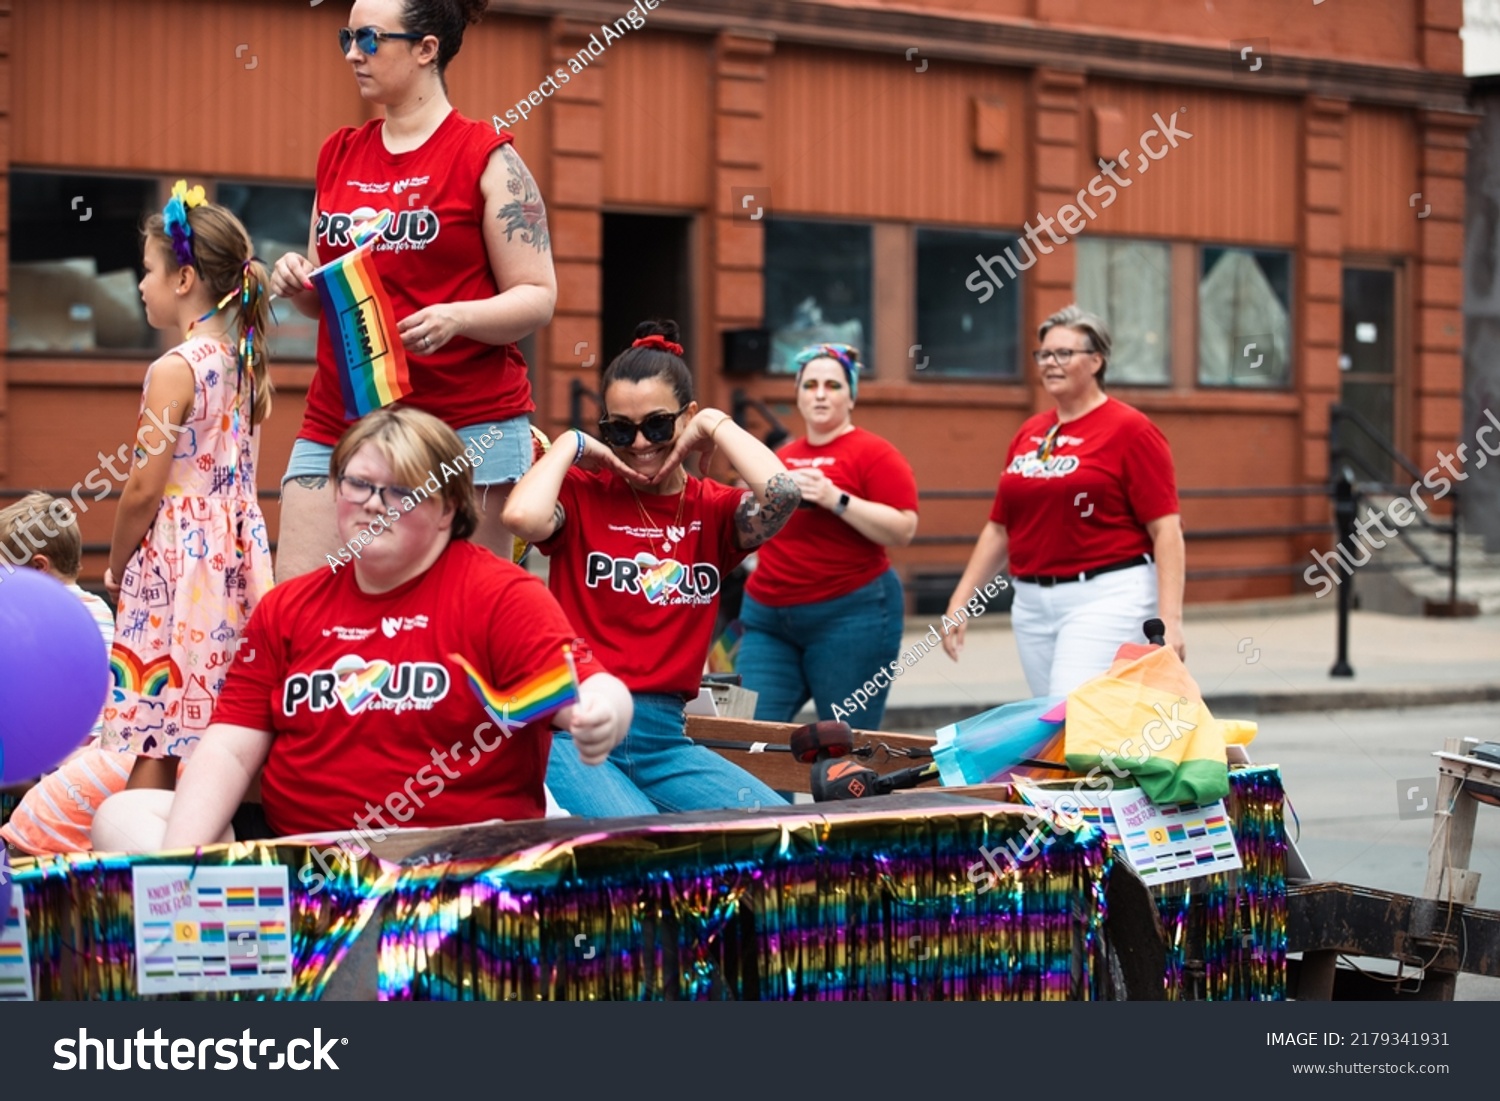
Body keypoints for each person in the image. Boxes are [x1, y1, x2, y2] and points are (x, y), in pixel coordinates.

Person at [91, 406, 633, 854]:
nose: (374, 503)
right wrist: (183, 868)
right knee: (125, 817)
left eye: (401, 491)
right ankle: (241, 935)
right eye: (358, 484)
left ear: (447, 509)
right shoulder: (289, 607)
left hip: (454, 861)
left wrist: (603, 713)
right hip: (303, 855)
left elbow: (586, 687)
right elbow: (230, 750)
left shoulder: (502, 595)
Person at [270, 0, 556, 580]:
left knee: (455, 622)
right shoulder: (339, 153)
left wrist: (457, 317)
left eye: (371, 39)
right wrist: (295, 277)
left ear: (427, 49)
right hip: (343, 420)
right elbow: (323, 290)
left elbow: (537, 295)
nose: (353, 53)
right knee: (300, 609)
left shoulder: (488, 157)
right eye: (347, 36)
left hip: (465, 426)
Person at [503, 321, 801, 816]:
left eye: (658, 425)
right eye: (619, 429)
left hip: (665, 741)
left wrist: (715, 424)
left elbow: (784, 493)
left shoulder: (714, 509)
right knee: (644, 849)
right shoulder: (582, 493)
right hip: (574, 731)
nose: (640, 443)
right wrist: (570, 445)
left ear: (685, 417)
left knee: (781, 832)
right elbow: (521, 517)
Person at [100, 182, 275, 792]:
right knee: (216, 722)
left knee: (158, 726)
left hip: (176, 567)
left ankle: (142, 869)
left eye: (148, 270)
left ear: (182, 281)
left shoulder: (173, 369)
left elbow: (144, 489)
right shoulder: (244, 364)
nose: (141, 283)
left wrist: (118, 564)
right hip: (233, 562)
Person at [942, 305, 1186, 696]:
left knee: (1070, 713)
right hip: (1031, 603)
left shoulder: (1132, 430)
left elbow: (1166, 529)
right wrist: (961, 600)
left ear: (1096, 361)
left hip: (1107, 594)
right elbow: (1000, 527)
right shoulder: (1031, 432)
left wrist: (1170, 620)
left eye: (1063, 354)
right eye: (1044, 354)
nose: (1050, 363)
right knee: (1058, 726)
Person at [735, 344, 918, 728]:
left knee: (842, 749)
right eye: (810, 385)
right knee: (751, 741)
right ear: (798, 395)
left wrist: (836, 499)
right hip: (768, 617)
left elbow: (904, 529)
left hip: (851, 615)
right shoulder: (780, 454)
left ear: (851, 396)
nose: (820, 394)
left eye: (833, 385)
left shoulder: (874, 453)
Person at [0, 493, 137, 855]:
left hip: (70, 766)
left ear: (39, 567)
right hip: (97, 760)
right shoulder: (98, 609)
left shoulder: (45, 621)